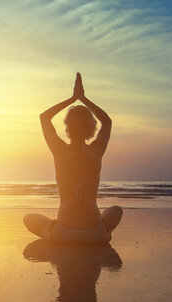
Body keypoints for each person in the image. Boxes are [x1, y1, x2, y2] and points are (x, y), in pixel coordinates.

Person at [23, 73, 122, 244]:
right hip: (95, 234)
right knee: (116, 210)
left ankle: (53, 227)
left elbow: (44, 117)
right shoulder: (96, 151)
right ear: (92, 128)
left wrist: (72, 98)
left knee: (28, 218)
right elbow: (107, 121)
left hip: (65, 234)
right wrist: (83, 98)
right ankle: (100, 229)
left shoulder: (60, 151)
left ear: (67, 126)